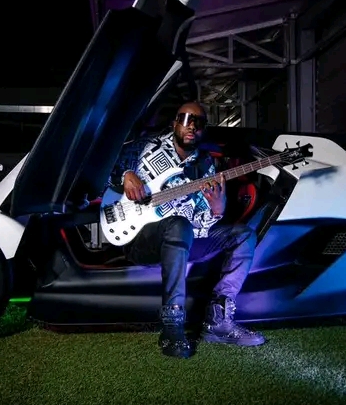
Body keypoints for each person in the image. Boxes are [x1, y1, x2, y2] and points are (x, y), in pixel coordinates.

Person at [106, 101, 266, 359]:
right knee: (178, 225)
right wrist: (125, 174)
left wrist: (216, 210)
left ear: (204, 129)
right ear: (175, 123)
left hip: (182, 238)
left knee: (243, 235)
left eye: (198, 122)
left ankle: (218, 320)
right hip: (139, 238)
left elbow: (200, 225)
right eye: (185, 119)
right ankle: (173, 325)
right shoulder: (145, 147)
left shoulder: (205, 166)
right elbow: (99, 169)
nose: (191, 126)